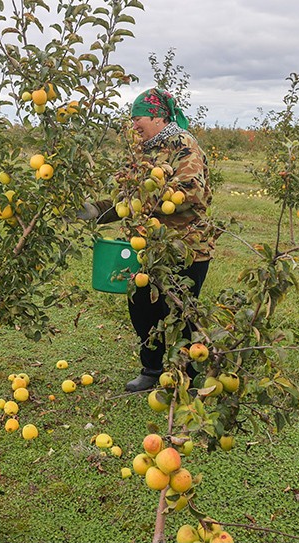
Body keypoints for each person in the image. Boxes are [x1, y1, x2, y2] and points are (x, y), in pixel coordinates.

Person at [80, 88, 215, 392]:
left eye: (138, 117)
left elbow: (191, 193)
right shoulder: (141, 151)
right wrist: (96, 210)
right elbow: (125, 197)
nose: (134, 124)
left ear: (157, 116)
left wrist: (143, 198)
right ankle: (151, 370)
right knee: (141, 306)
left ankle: (191, 376)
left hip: (184, 247)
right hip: (145, 248)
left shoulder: (183, 145)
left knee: (180, 311)